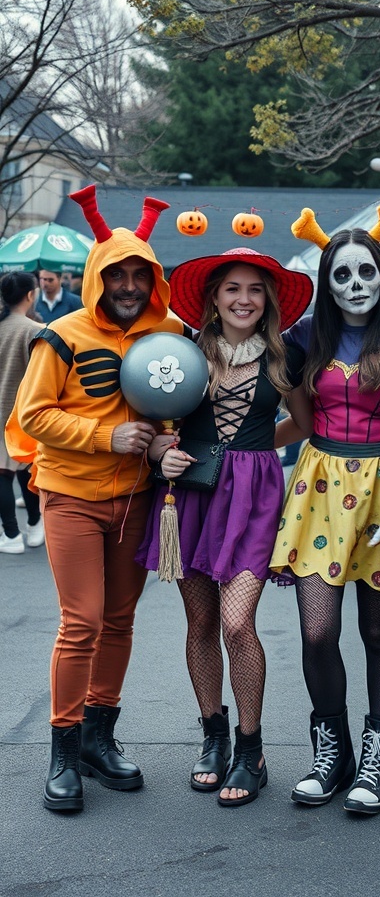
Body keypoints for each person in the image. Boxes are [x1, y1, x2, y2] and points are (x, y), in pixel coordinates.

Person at [5, 184, 183, 813]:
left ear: (153, 278)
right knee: (81, 621)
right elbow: (32, 415)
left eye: (141, 273)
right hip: (72, 496)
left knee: (119, 621)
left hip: (137, 500)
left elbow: (179, 406)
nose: (129, 284)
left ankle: (98, 740)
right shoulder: (63, 335)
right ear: (97, 276)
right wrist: (106, 435)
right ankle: (63, 747)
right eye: (118, 273)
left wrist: (164, 443)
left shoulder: (172, 330)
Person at [269, 211, 380, 816]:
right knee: (318, 631)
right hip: (319, 486)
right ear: (328, 281)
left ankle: (377, 756)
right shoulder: (307, 333)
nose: (356, 282)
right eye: (343, 274)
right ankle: (330, 749)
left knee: (377, 632)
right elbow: (251, 359)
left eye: (367, 271)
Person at [137, 247, 314, 807]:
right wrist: (164, 450)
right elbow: (154, 423)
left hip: (254, 498)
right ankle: (213, 736)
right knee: (201, 622)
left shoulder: (286, 358)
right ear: (213, 297)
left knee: (238, 624)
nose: (243, 299)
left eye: (255, 289)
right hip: (190, 495)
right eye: (232, 288)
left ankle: (250, 747)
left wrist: (254, 451)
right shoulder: (184, 353)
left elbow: (303, 424)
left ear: (269, 301)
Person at [0, 272, 44, 554]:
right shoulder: (35, 329)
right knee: (27, 470)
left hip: (0, 413)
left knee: (3, 474)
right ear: (30, 295)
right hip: (26, 413)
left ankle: (12, 535)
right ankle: (35, 524)